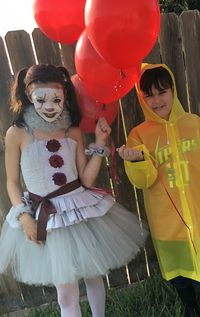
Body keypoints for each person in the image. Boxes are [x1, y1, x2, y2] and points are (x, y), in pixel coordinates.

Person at [0, 64, 148, 317]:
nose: (49, 105)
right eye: (41, 98)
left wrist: (101, 145)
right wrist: (24, 215)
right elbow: (12, 182)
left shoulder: (73, 130)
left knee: (93, 276)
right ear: (27, 94)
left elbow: (86, 179)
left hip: (78, 209)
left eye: (56, 98)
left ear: (66, 95)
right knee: (66, 290)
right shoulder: (17, 133)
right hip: (46, 217)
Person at [118, 63, 200, 317]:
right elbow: (143, 180)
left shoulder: (195, 125)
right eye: (148, 94)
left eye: (162, 92)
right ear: (140, 97)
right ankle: (190, 309)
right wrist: (136, 160)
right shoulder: (138, 135)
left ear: (173, 90)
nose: (157, 100)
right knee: (180, 276)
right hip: (166, 225)